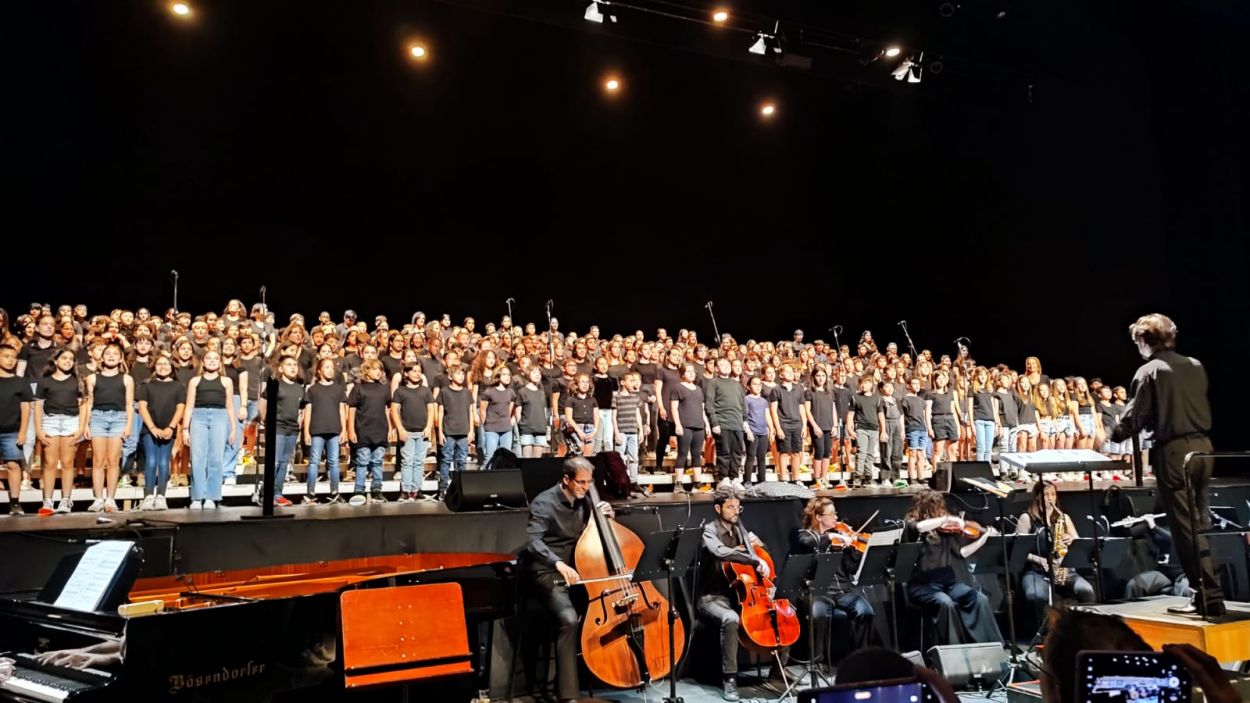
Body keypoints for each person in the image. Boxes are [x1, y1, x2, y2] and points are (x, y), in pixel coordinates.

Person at [1111, 314, 1223, 616]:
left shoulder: (1150, 370)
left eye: (1137, 342)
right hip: (1203, 448)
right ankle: (1211, 595)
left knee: (1185, 530)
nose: (1137, 348)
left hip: (1174, 452)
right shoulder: (1195, 365)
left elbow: (1133, 419)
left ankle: (1206, 598)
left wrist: (1113, 433)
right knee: (1200, 524)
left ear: (1145, 341)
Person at [522, 457, 612, 703]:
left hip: (577, 569)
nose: (586, 487)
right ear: (566, 480)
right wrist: (557, 563)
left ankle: (604, 673)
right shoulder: (544, 503)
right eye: (581, 483)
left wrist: (604, 516)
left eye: (589, 482)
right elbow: (533, 542)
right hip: (545, 570)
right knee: (569, 619)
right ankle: (568, 696)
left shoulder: (586, 501)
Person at [698, 487, 783, 702]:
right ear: (718, 508)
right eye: (730, 507)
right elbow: (720, 551)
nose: (736, 511)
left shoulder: (741, 530)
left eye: (738, 506)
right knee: (731, 618)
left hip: (741, 595)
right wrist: (751, 558)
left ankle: (777, 672)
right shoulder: (709, 531)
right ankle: (730, 680)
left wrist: (760, 551)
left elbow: (761, 554)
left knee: (780, 612)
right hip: (713, 598)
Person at [902, 489, 1003, 645]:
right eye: (937, 508)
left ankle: (991, 646)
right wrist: (947, 518)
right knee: (945, 603)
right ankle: (953, 651)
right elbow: (921, 527)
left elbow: (962, 553)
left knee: (979, 599)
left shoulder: (946, 531)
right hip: (922, 586)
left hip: (948, 583)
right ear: (925, 508)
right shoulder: (912, 527)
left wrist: (983, 538)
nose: (941, 511)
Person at [793, 497, 876, 667]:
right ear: (818, 517)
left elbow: (851, 569)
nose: (836, 518)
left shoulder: (843, 538)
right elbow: (806, 542)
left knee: (866, 612)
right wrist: (830, 537)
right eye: (831, 514)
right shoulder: (807, 535)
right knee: (818, 615)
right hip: (819, 592)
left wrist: (856, 550)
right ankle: (818, 661)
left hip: (843, 590)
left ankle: (860, 659)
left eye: (835, 513)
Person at [1013, 481, 1096, 624]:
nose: (1050, 498)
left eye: (1053, 494)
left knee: (1086, 590)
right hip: (1036, 571)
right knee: (1036, 595)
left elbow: (1078, 543)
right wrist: (1039, 560)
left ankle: (1083, 628)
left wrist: (1070, 540)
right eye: (1046, 494)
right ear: (1037, 497)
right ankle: (1047, 634)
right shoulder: (1027, 518)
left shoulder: (1063, 518)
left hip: (1063, 569)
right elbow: (1017, 551)